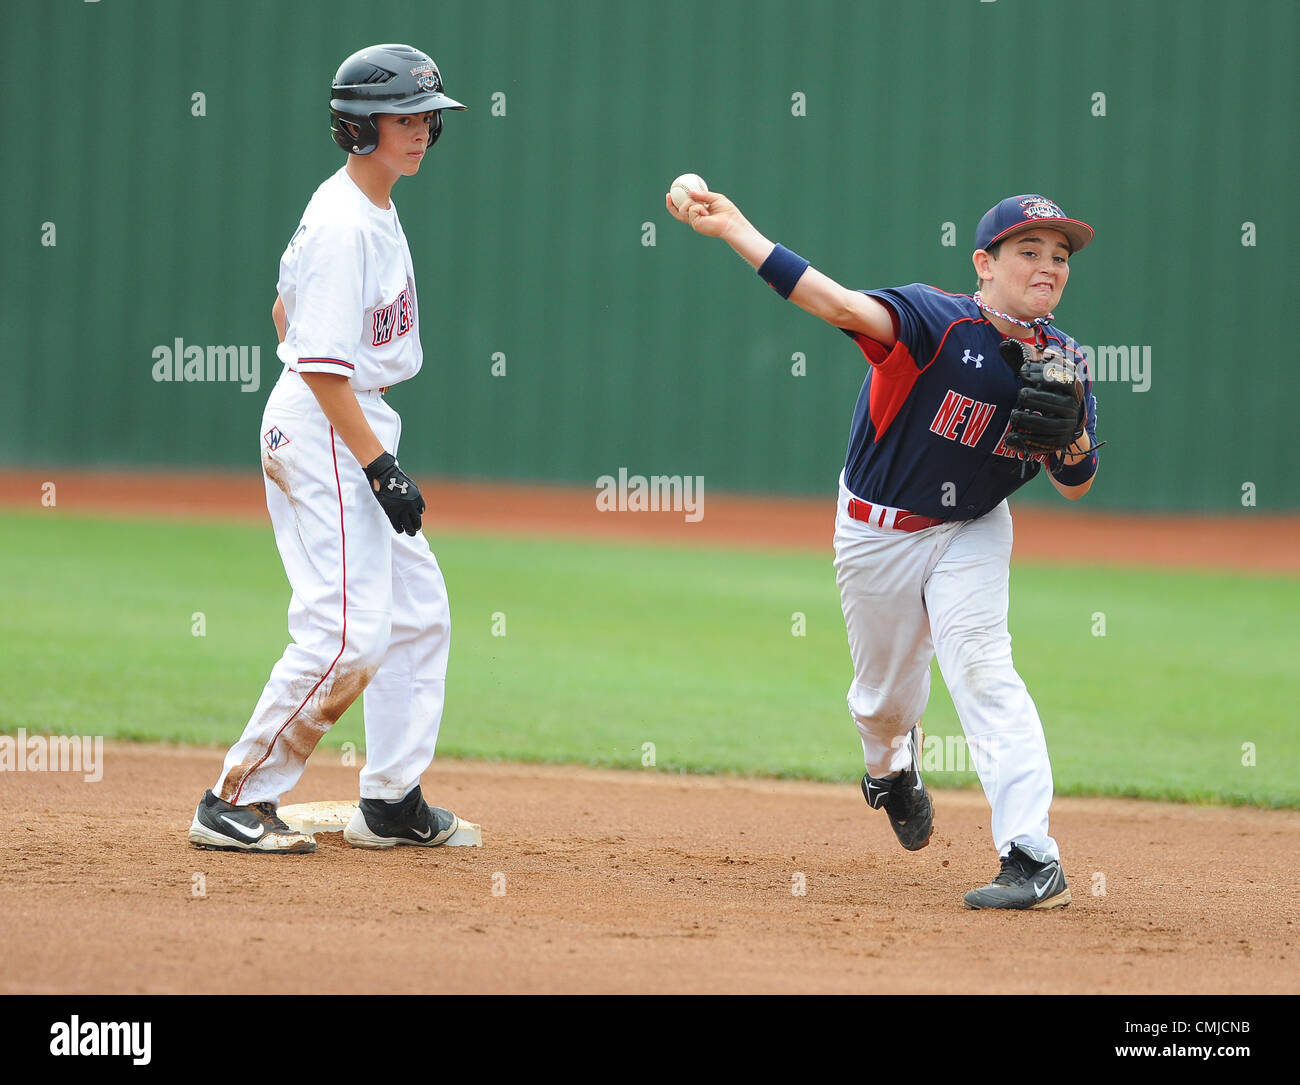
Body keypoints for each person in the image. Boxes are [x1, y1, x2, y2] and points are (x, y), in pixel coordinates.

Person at [665, 188, 1100, 909]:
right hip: (878, 530)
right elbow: (835, 303)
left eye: (1059, 255)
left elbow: (1078, 483)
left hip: (973, 528)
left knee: (984, 669)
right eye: (1029, 250)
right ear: (984, 265)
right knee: (883, 703)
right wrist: (738, 228)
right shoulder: (935, 320)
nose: (1048, 265)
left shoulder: (1066, 361)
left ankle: (1032, 855)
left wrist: (1074, 430)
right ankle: (890, 769)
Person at [188, 44, 468, 854]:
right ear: (358, 127)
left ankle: (390, 801)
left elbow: (284, 310)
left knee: (418, 613)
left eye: (426, 118)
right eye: (404, 118)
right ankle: (232, 797)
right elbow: (312, 359)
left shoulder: (367, 206)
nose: (420, 131)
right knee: (347, 634)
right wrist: (375, 464)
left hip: (342, 419)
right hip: (326, 427)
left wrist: (369, 447)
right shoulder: (347, 224)